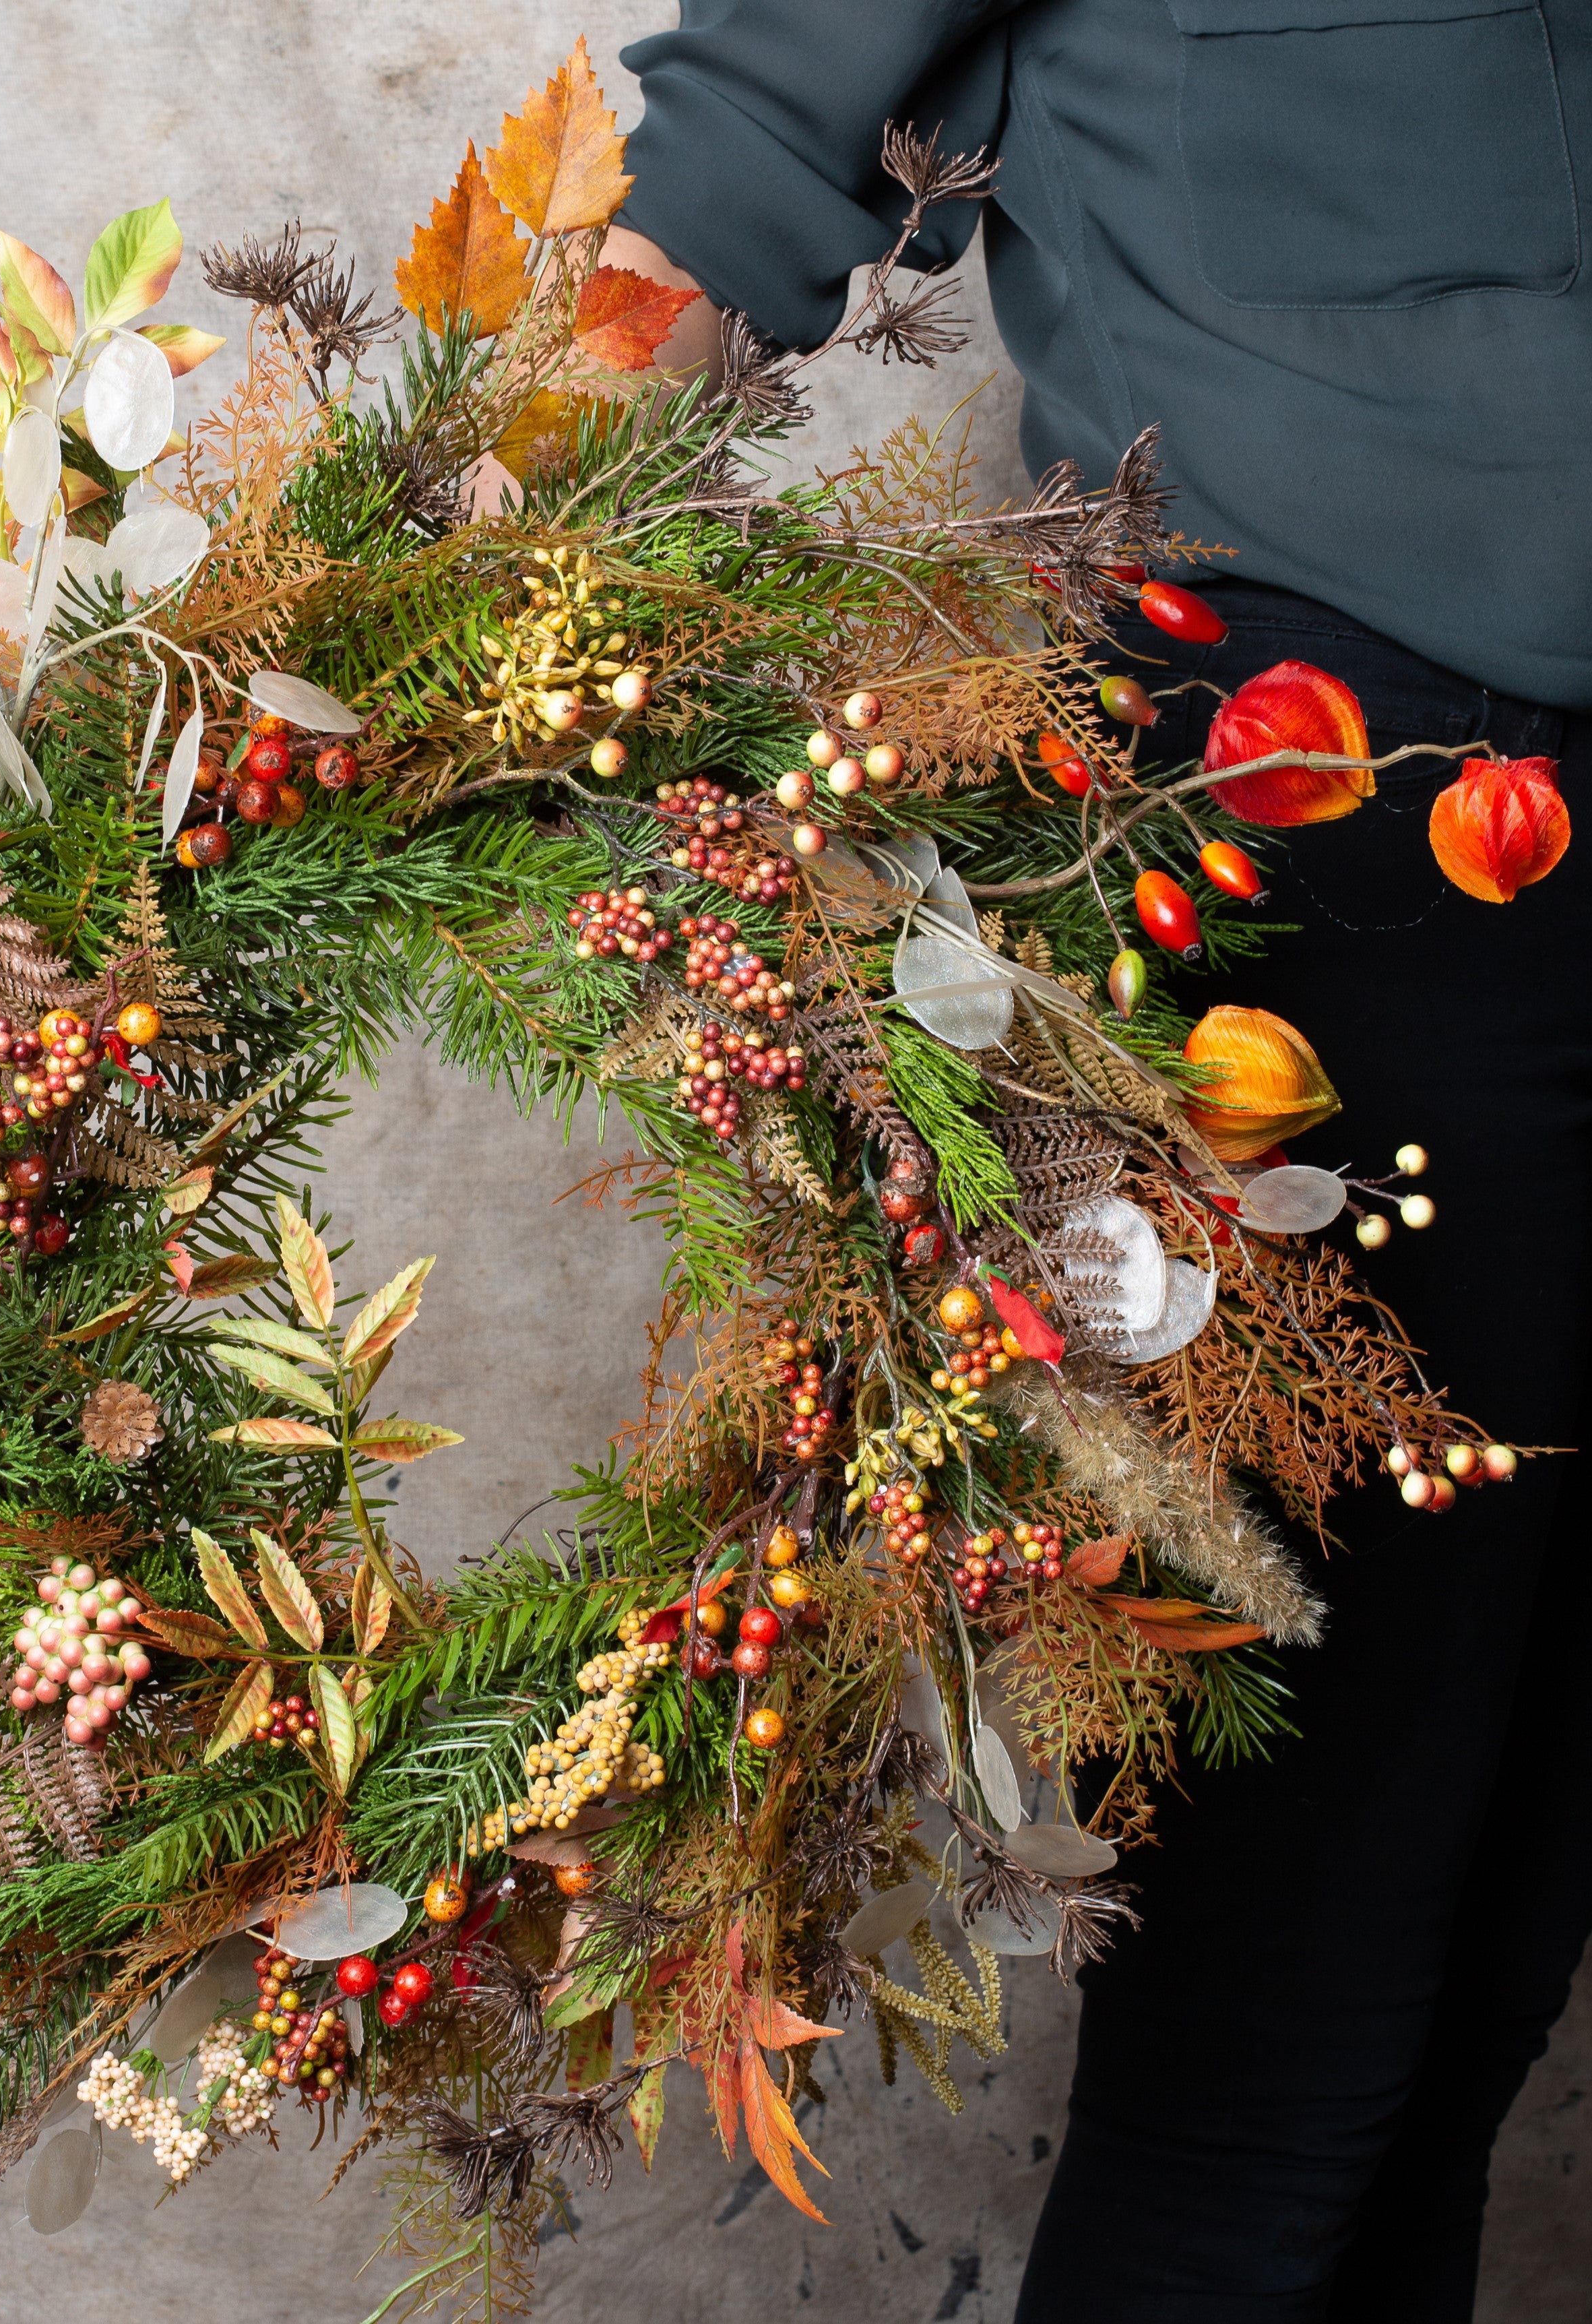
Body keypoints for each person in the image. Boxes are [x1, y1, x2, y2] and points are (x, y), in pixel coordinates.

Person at [603, 7, 1592, 2318]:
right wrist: (446, 586)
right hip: (1310, 813)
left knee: (1486, 1967)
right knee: (1293, 2004)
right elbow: (747, 137)